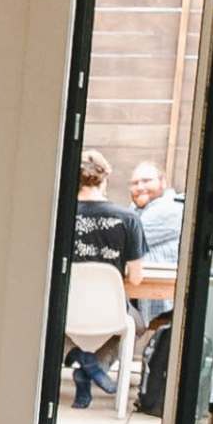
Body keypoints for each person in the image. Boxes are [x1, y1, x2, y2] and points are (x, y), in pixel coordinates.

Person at [65, 152, 143, 408]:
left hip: (65, 309)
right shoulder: (129, 219)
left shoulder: (59, 215)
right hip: (108, 312)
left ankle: (78, 358)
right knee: (137, 323)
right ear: (104, 180)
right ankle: (93, 365)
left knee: (49, 322)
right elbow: (137, 277)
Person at [127, 160, 182, 411]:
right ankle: (90, 366)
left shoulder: (170, 208)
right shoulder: (138, 210)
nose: (139, 187)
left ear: (163, 182)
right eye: (135, 182)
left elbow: (128, 238)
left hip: (162, 295)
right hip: (138, 288)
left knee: (116, 311)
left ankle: (89, 365)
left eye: (146, 180)